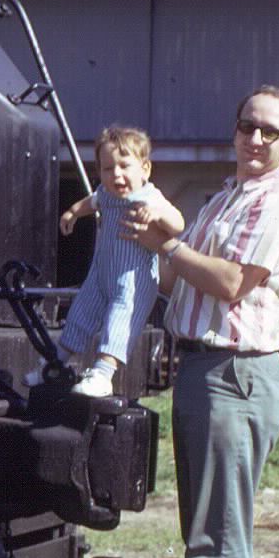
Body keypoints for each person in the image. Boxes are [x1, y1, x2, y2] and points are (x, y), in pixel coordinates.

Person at [123, 85, 279, 558]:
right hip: (209, 370)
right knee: (226, 526)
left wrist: (170, 244)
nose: (255, 140)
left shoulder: (278, 206)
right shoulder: (228, 197)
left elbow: (230, 283)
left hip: (236, 374)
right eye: (247, 126)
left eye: (270, 132)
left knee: (212, 534)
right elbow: (177, 273)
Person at [52, 124, 184, 397]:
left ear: (145, 169)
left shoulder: (150, 197)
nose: (117, 175)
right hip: (102, 273)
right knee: (80, 313)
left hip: (133, 280)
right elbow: (93, 201)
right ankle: (55, 362)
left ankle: (103, 374)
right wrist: (72, 213)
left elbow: (178, 223)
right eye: (108, 168)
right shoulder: (106, 194)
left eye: (125, 166)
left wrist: (157, 214)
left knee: (119, 323)